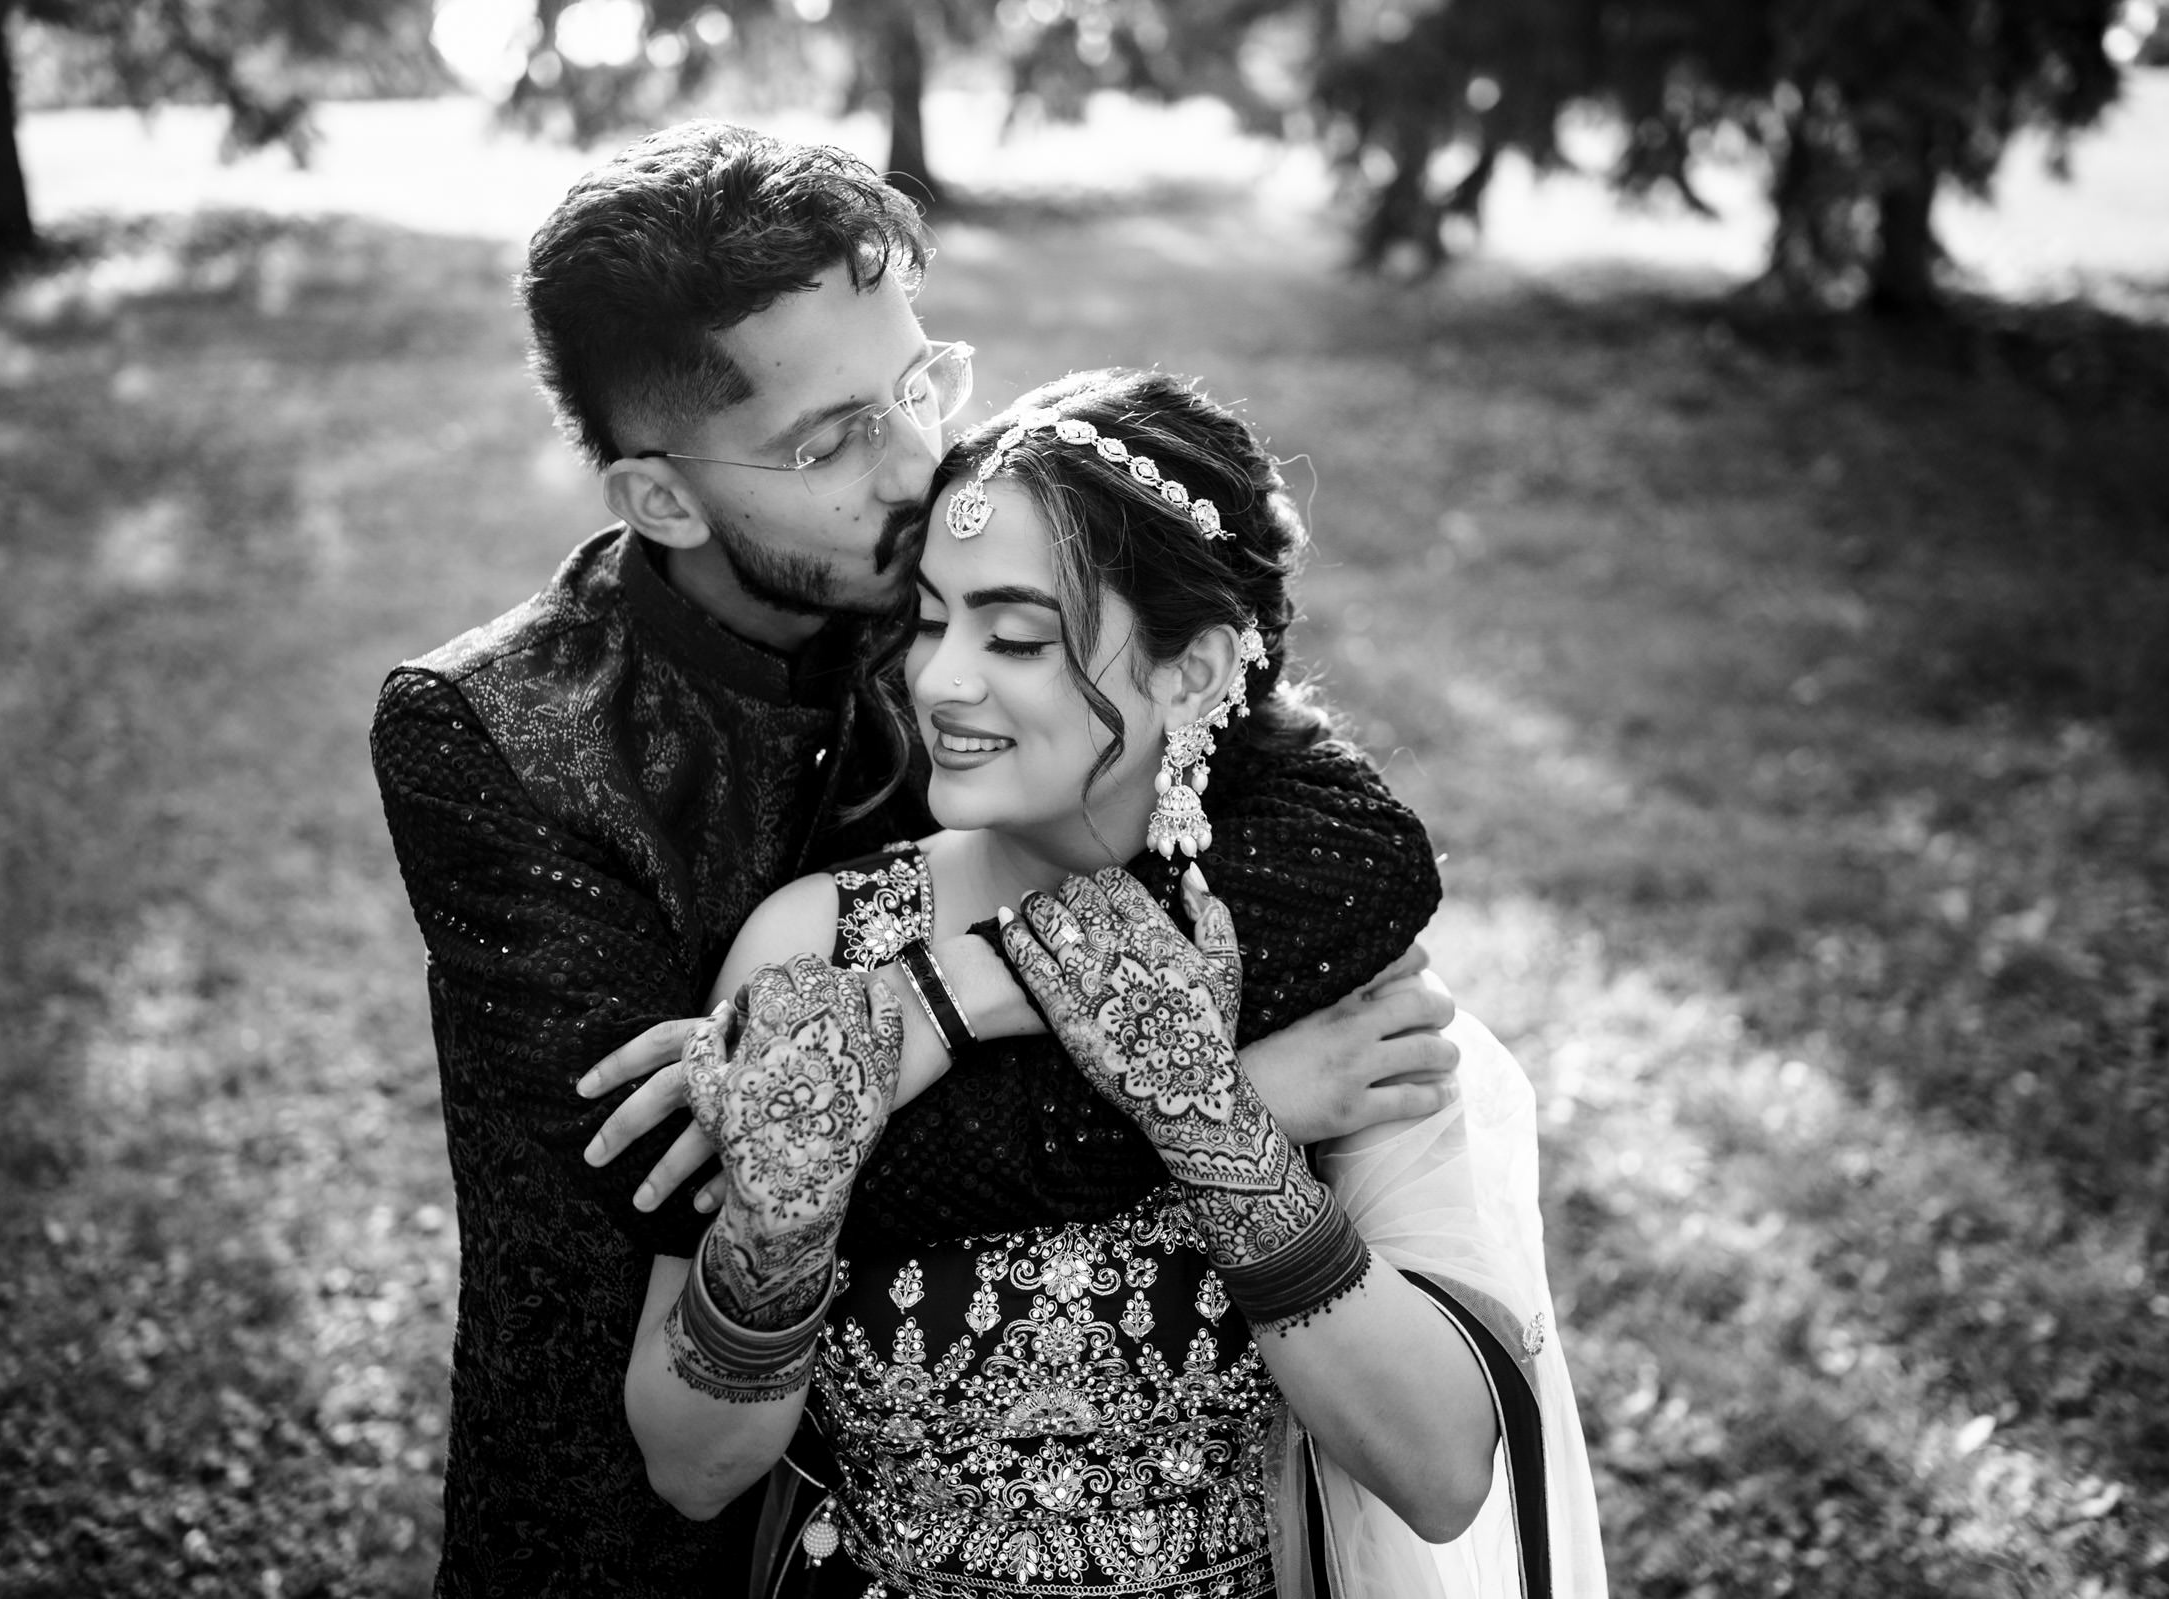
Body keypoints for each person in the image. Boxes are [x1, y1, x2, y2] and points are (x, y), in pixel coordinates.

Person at [370, 124, 1458, 1598]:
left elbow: (1359, 849)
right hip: (650, 1516)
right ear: (665, 500)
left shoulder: (954, 550)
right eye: (828, 439)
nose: (920, 456)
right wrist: (1223, 1093)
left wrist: (932, 1006)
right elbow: (673, 1191)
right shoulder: (498, 739)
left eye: (918, 382)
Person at [611, 370, 1605, 1597]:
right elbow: (690, 1470)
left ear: (1192, 675)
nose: (940, 682)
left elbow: (1443, 1475)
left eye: (1016, 636)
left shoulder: (1319, 978)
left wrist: (1211, 1114)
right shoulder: (819, 951)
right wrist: (780, 1221)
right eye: (931, 621)